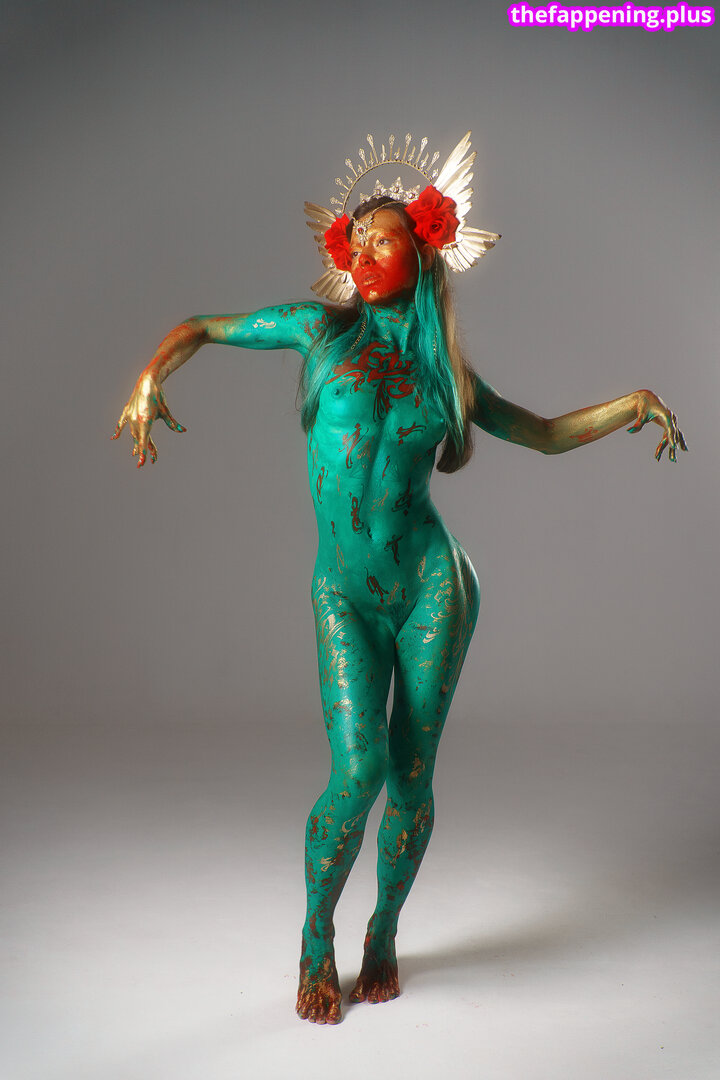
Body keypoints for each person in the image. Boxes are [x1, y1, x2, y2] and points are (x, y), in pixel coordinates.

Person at [113, 133, 686, 1025]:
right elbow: (204, 327)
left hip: (432, 590)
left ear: (424, 252)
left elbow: (540, 434)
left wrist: (632, 403)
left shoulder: (445, 376)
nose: (366, 251)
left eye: (385, 238)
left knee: (411, 780)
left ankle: (382, 930)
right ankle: (316, 936)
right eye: (358, 240)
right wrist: (150, 377)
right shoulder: (319, 331)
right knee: (360, 769)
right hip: (343, 591)